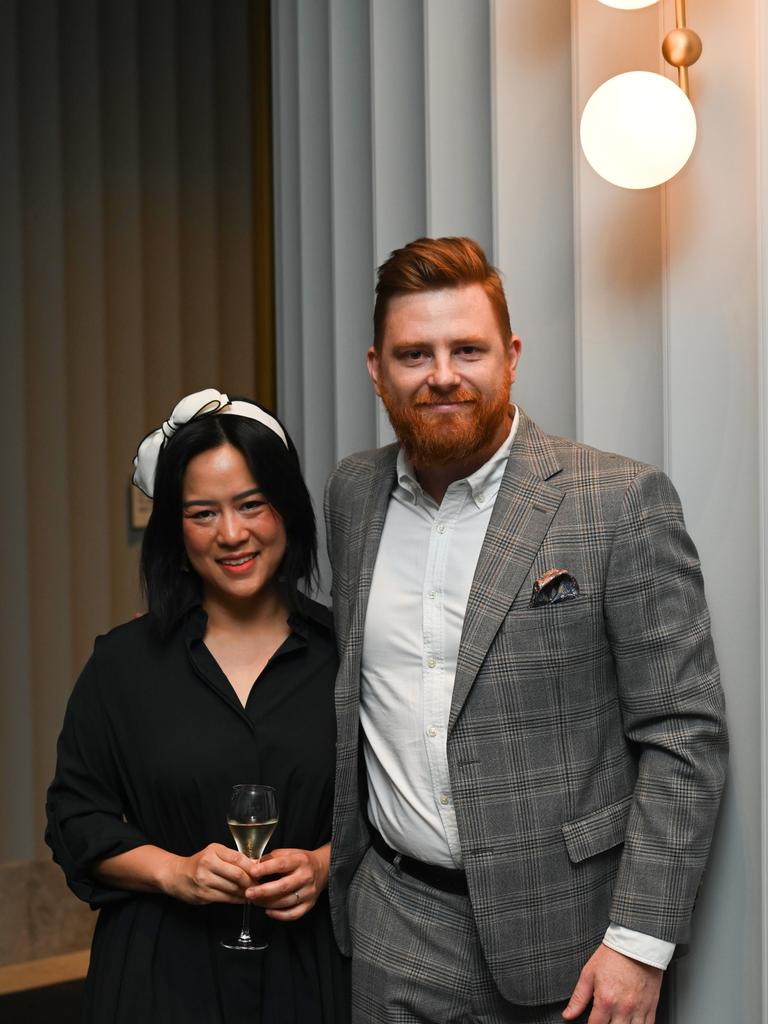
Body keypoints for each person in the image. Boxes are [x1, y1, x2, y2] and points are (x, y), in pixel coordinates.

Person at [324, 238, 728, 1024]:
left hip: (572, 944)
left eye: (466, 348)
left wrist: (640, 942)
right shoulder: (352, 495)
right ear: (377, 369)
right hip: (392, 924)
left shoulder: (618, 500)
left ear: (510, 357)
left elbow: (684, 730)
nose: (442, 374)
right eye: (414, 354)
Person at [46, 389, 349, 1024]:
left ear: (286, 510)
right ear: (175, 530)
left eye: (251, 505)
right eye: (202, 513)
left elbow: (394, 807)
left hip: (309, 975)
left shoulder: (345, 655)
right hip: (159, 978)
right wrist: (175, 874)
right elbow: (76, 817)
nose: (232, 534)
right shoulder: (123, 665)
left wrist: (323, 866)